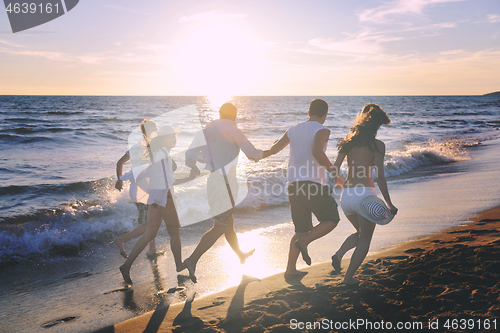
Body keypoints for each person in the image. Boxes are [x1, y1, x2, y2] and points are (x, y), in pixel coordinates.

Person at [183, 102, 262, 283]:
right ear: (234, 115)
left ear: (220, 114)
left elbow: (189, 155)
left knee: (228, 221)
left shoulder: (204, 131)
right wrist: (271, 150)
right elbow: (253, 154)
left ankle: (240, 254)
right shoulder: (234, 130)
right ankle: (191, 260)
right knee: (220, 225)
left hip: (213, 180)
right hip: (227, 182)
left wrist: (194, 167)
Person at [261, 99, 340, 279]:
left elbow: (274, 149)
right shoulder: (322, 130)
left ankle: (290, 269)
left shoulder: (293, 129)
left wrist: (257, 156)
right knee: (332, 218)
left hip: (293, 184)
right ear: (325, 114)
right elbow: (317, 152)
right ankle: (304, 242)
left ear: (308, 112)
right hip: (312, 183)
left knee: (301, 229)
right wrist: (335, 173)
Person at [119, 124, 198, 285]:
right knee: (174, 232)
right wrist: (191, 178)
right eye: (171, 136)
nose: (175, 139)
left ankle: (126, 266)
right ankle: (178, 265)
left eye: (175, 136)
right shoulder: (162, 155)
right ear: (163, 139)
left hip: (155, 199)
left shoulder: (157, 153)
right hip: (164, 198)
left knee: (150, 234)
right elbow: (169, 181)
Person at [330, 103, 398, 285]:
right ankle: (348, 278)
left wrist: (342, 184)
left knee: (360, 233)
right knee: (366, 238)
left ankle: (338, 254)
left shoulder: (348, 142)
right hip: (365, 196)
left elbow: (334, 169)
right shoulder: (377, 146)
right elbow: (380, 178)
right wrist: (389, 204)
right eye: (379, 126)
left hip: (346, 198)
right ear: (375, 125)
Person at [113, 120, 158, 258]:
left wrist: (120, 180)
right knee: (150, 224)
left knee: (151, 221)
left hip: (138, 189)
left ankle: (152, 249)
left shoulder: (136, 147)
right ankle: (122, 239)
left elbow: (120, 162)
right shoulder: (152, 147)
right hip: (147, 190)